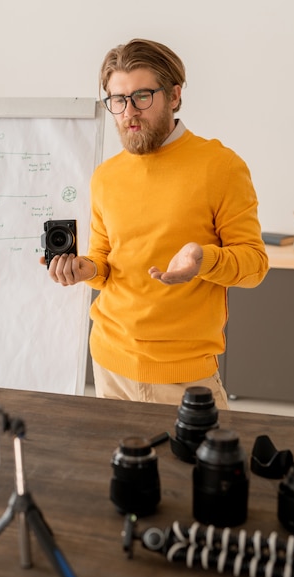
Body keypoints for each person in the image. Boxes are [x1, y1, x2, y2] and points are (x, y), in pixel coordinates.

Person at [40, 38, 269, 409]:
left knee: (206, 469)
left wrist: (204, 259)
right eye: (118, 100)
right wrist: (85, 268)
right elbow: (105, 264)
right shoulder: (106, 176)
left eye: (142, 96)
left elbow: (255, 266)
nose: (129, 112)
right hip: (109, 364)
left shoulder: (221, 166)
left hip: (184, 376)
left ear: (174, 96)